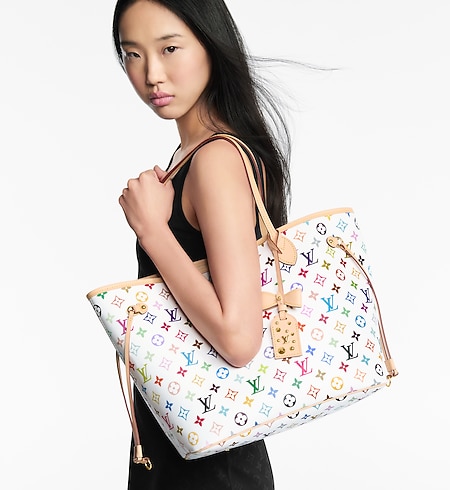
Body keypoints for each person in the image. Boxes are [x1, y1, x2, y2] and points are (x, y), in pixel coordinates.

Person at [113, 0, 291, 488]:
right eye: (132, 54)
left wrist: (153, 231)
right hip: (180, 446)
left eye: (169, 48)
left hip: (212, 467)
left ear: (211, 45)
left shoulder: (216, 160)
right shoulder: (192, 155)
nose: (152, 74)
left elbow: (238, 340)